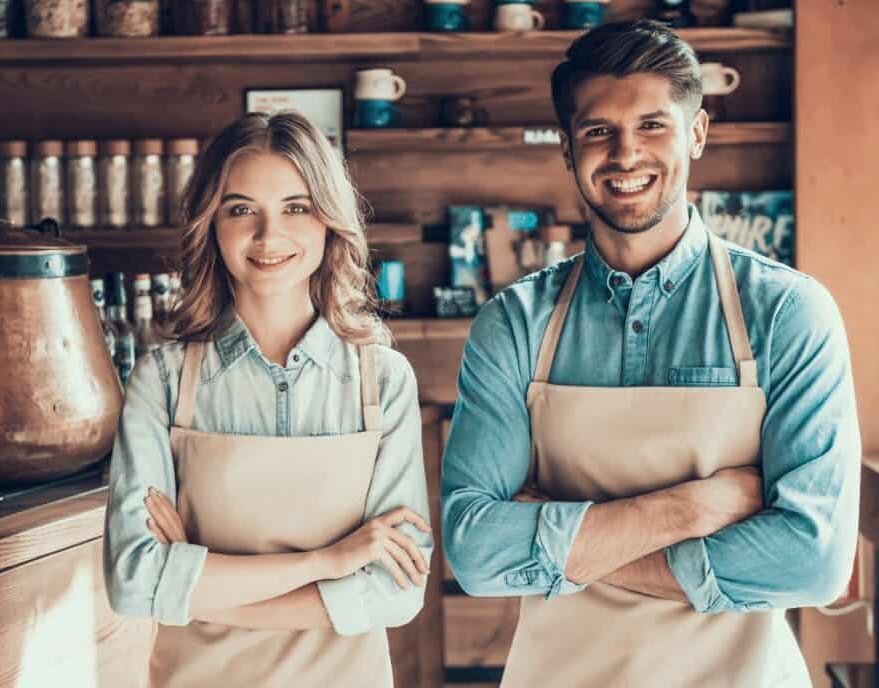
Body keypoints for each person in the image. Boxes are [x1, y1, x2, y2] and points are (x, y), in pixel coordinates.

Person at [441, 20, 860, 688]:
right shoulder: (514, 323)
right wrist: (689, 510)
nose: (626, 153)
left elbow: (813, 563)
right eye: (598, 131)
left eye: (653, 125)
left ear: (696, 133)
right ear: (568, 148)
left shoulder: (786, 313)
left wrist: (567, 545)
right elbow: (475, 551)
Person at [103, 111, 433, 688]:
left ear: (330, 222)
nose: (268, 235)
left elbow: (393, 593)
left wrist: (198, 593)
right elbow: (135, 582)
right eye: (241, 210)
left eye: (296, 207)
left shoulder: (385, 381)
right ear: (211, 225)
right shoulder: (162, 380)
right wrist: (327, 563)